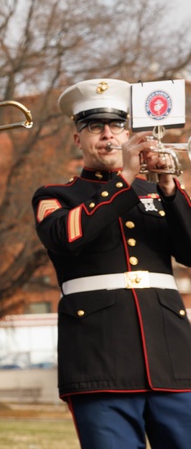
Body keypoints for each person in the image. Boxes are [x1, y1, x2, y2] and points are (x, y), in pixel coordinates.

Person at [32, 78, 191, 448]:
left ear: (128, 131)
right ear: (78, 139)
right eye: (94, 127)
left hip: (171, 353)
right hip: (99, 358)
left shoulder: (156, 192)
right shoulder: (56, 195)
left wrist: (170, 188)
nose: (107, 135)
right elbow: (67, 237)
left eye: (117, 125)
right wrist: (126, 178)